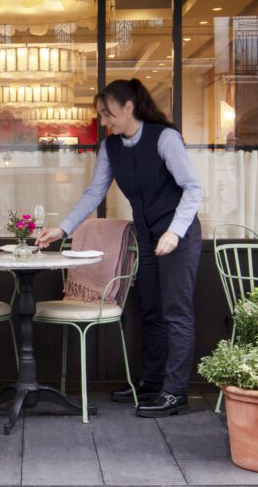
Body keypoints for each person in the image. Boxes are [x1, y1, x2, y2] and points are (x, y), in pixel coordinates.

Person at [35, 78, 202, 417]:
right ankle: (151, 382)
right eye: (101, 115)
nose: (104, 121)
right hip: (147, 236)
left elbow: (193, 188)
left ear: (129, 107)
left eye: (107, 114)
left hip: (177, 236)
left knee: (175, 312)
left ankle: (175, 392)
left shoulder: (165, 138)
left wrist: (174, 232)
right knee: (150, 310)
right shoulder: (111, 147)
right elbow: (94, 193)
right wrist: (63, 228)